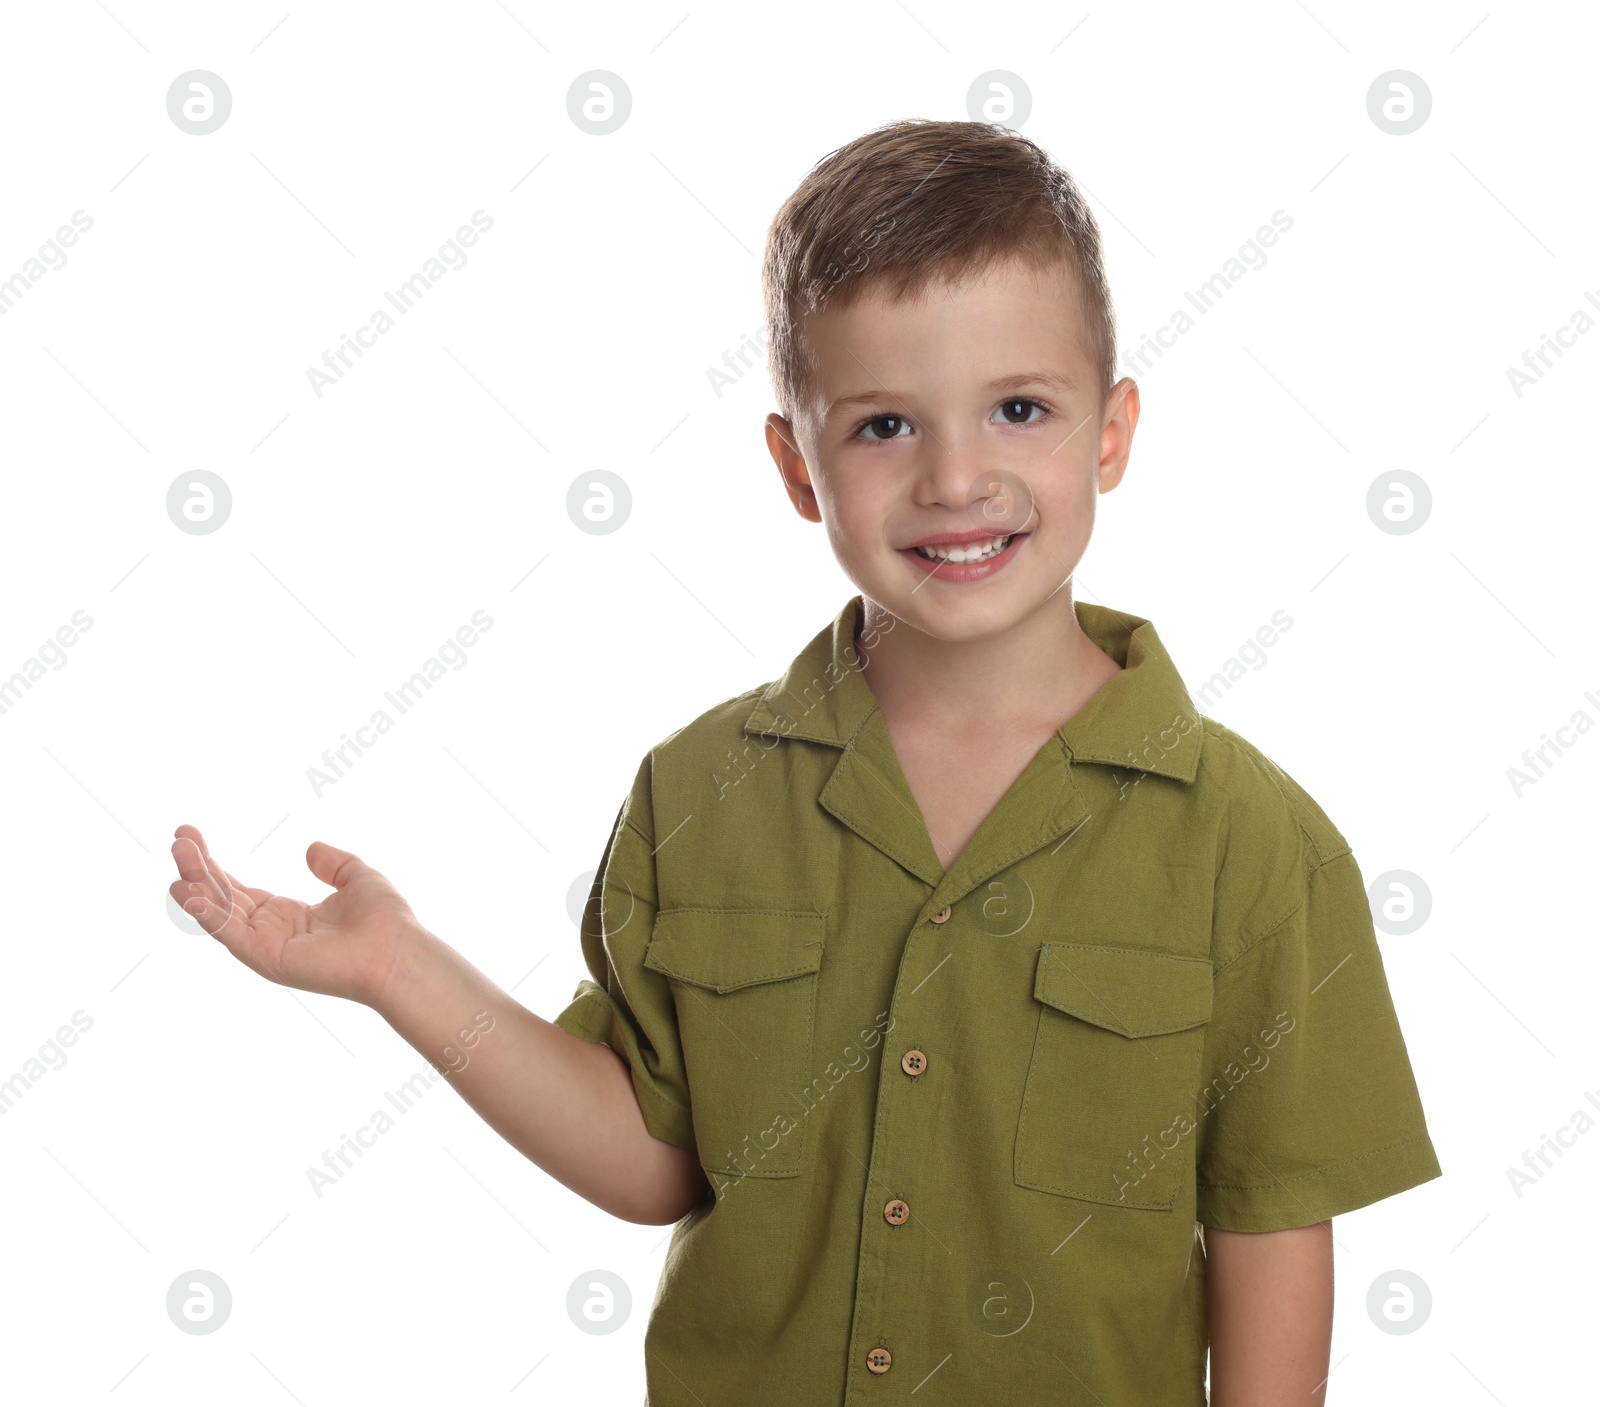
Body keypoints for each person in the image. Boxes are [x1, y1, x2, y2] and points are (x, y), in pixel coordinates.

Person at [170, 118, 1441, 1405]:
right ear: (796, 466)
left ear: (1109, 432)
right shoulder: (698, 792)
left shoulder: (1252, 841)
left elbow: (1270, 1231)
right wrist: (398, 969)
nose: (956, 478)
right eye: (885, 425)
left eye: (1018, 409)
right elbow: (655, 1162)